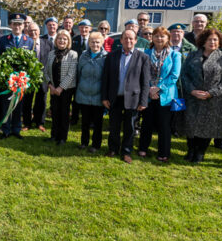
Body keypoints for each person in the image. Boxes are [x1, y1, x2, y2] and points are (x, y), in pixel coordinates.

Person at [180, 28, 222, 163]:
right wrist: (192, 91)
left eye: (215, 39)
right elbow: (184, 74)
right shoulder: (192, 55)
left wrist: (212, 93)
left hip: (213, 99)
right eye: (209, 39)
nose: (212, 42)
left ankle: (200, 152)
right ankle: (191, 150)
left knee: (207, 126)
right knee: (191, 124)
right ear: (203, 41)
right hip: (193, 97)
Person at [101, 30, 150, 164]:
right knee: (114, 126)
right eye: (125, 38)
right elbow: (105, 78)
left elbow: (145, 81)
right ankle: (113, 149)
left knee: (130, 127)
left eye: (131, 39)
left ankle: (126, 152)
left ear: (135, 41)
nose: (128, 41)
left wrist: (143, 100)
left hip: (133, 98)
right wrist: (104, 97)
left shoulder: (143, 57)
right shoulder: (112, 56)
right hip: (114, 97)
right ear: (121, 40)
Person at [137, 27, 181, 162]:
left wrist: (158, 89)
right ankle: (143, 148)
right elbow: (142, 73)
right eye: (156, 36)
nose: (159, 39)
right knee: (146, 123)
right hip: (148, 94)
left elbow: (174, 76)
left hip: (166, 96)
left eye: (162, 36)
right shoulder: (145, 53)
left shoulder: (174, 55)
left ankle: (164, 152)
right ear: (152, 38)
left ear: (168, 38)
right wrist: (150, 89)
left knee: (164, 125)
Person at [0, 13, 34, 139]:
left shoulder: (29, 41)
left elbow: (31, 62)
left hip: (21, 81)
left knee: (18, 105)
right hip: (8, 80)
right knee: (6, 105)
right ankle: (6, 129)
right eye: (14, 24)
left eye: (19, 24)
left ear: (23, 26)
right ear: (10, 25)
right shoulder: (3, 40)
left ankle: (16, 129)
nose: (17, 26)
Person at [75, 31, 107, 152]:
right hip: (83, 94)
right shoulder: (83, 56)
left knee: (98, 124)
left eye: (97, 42)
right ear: (89, 43)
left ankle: (95, 145)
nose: (95, 44)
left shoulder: (106, 57)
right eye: (92, 42)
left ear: (102, 43)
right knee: (85, 122)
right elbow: (78, 74)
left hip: (98, 96)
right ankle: (84, 142)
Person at [45, 30, 78, 145]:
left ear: (68, 41)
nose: (62, 41)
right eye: (60, 38)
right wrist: (50, 85)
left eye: (65, 39)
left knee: (64, 114)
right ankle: (54, 135)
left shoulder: (73, 54)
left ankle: (62, 137)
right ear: (56, 40)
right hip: (53, 89)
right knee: (54, 112)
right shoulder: (51, 54)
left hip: (66, 90)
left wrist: (60, 88)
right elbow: (46, 71)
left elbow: (71, 74)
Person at [22, 22, 51, 132]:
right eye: (30, 31)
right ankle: (27, 123)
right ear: (27, 32)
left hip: (43, 77)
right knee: (27, 100)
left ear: (39, 31)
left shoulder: (47, 43)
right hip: (29, 77)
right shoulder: (25, 44)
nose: (33, 32)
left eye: (35, 30)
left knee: (41, 100)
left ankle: (39, 122)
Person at [71, 19, 93, 125]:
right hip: (76, 71)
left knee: (88, 94)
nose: (84, 29)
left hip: (89, 71)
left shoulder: (93, 40)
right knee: (75, 95)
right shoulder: (74, 39)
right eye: (81, 27)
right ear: (79, 28)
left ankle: (88, 118)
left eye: (86, 27)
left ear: (90, 29)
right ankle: (74, 118)